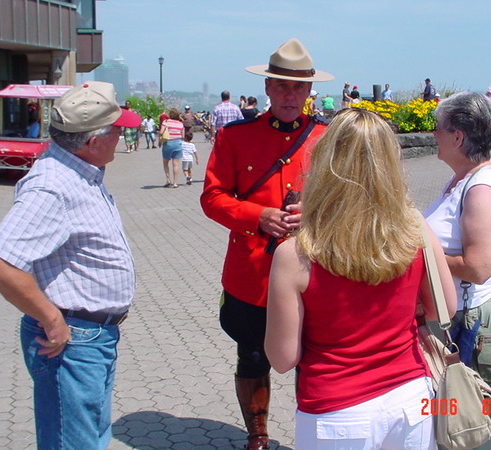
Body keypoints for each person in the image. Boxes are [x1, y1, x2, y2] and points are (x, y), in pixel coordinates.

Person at [264, 108, 457, 449]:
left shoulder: (295, 255)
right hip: (412, 401)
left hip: (335, 412)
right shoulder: (414, 230)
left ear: (324, 163)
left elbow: (282, 359)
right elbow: (445, 306)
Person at [0, 81, 140, 449]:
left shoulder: (80, 173)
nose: (121, 136)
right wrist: (52, 319)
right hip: (72, 339)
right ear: (93, 142)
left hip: (90, 337)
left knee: (89, 438)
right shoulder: (53, 187)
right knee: (74, 443)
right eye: (117, 130)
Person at [200, 37, 334, 450]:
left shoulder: (327, 138)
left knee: (315, 360)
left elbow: (348, 195)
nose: (290, 95)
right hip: (253, 273)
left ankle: (314, 433)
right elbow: (212, 197)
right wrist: (257, 216)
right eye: (282, 86)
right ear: (267, 89)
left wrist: (311, 215)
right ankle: (257, 435)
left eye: (299, 87)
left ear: (310, 91)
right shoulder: (235, 137)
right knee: (253, 356)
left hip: (316, 272)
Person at [425, 91, 491, 450]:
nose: (434, 133)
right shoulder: (462, 180)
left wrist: (422, 257)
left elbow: (478, 268)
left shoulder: (481, 189)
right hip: (463, 317)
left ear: (458, 136)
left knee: (469, 424)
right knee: (457, 418)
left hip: (475, 320)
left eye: (438, 128)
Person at [159, 108, 184, 188]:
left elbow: (161, 132)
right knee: (175, 164)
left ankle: (168, 180)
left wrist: (160, 141)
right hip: (178, 143)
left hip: (168, 143)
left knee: (165, 162)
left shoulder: (166, 122)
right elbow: (183, 136)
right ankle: (175, 183)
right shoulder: (180, 123)